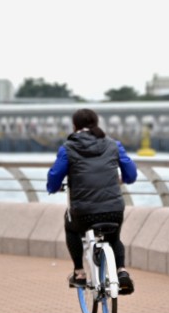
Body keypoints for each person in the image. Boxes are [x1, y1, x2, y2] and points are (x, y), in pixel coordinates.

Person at [46, 108, 138, 293]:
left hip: (83, 213)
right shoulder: (113, 145)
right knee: (114, 238)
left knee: (71, 227)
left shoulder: (68, 148)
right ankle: (121, 272)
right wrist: (124, 180)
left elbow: (55, 176)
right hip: (114, 209)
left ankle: (79, 273)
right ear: (96, 124)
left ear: (74, 126)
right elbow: (131, 173)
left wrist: (53, 188)